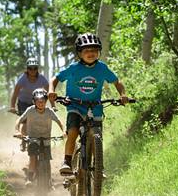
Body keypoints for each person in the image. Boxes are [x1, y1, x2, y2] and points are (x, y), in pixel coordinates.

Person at [48, 32, 128, 175]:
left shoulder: (102, 68)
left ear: (99, 52)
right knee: (72, 132)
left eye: (94, 50)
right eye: (86, 50)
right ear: (79, 53)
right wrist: (51, 91)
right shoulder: (74, 68)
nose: (91, 53)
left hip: (95, 106)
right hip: (75, 106)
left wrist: (122, 94)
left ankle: (98, 168)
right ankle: (66, 161)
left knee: (96, 135)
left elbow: (117, 81)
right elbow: (55, 78)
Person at [14, 88, 66, 186]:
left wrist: (63, 131)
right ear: (34, 102)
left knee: (47, 160)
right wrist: (17, 131)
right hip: (33, 138)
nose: (40, 103)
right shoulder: (30, 110)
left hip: (46, 139)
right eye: (38, 101)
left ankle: (49, 182)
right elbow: (19, 120)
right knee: (33, 157)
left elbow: (59, 121)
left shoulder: (49, 111)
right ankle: (29, 179)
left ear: (46, 101)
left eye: (43, 101)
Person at [10, 58, 51, 135]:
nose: (32, 71)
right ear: (27, 69)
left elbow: (49, 93)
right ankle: (23, 140)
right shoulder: (22, 79)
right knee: (25, 122)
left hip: (35, 102)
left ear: (37, 69)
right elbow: (15, 93)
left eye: (35, 68)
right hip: (23, 103)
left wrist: (53, 105)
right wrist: (12, 106)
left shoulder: (41, 78)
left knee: (38, 121)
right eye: (30, 68)